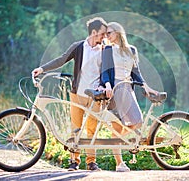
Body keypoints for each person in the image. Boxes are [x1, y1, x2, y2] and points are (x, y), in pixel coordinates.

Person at [32, 17, 107, 171]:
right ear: (94, 32)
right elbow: (61, 60)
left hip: (95, 96)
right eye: (102, 34)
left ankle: (91, 162)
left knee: (92, 130)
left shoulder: (105, 50)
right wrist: (42, 69)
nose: (104, 37)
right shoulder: (78, 47)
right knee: (76, 128)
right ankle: (74, 161)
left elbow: (108, 73)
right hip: (77, 94)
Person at [99, 22, 158, 172]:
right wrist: (107, 85)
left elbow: (136, 72)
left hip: (127, 89)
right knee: (117, 126)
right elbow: (104, 72)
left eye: (109, 33)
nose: (106, 36)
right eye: (106, 34)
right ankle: (119, 163)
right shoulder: (107, 49)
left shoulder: (132, 50)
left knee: (137, 121)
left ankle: (115, 141)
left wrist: (146, 86)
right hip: (115, 89)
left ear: (118, 32)